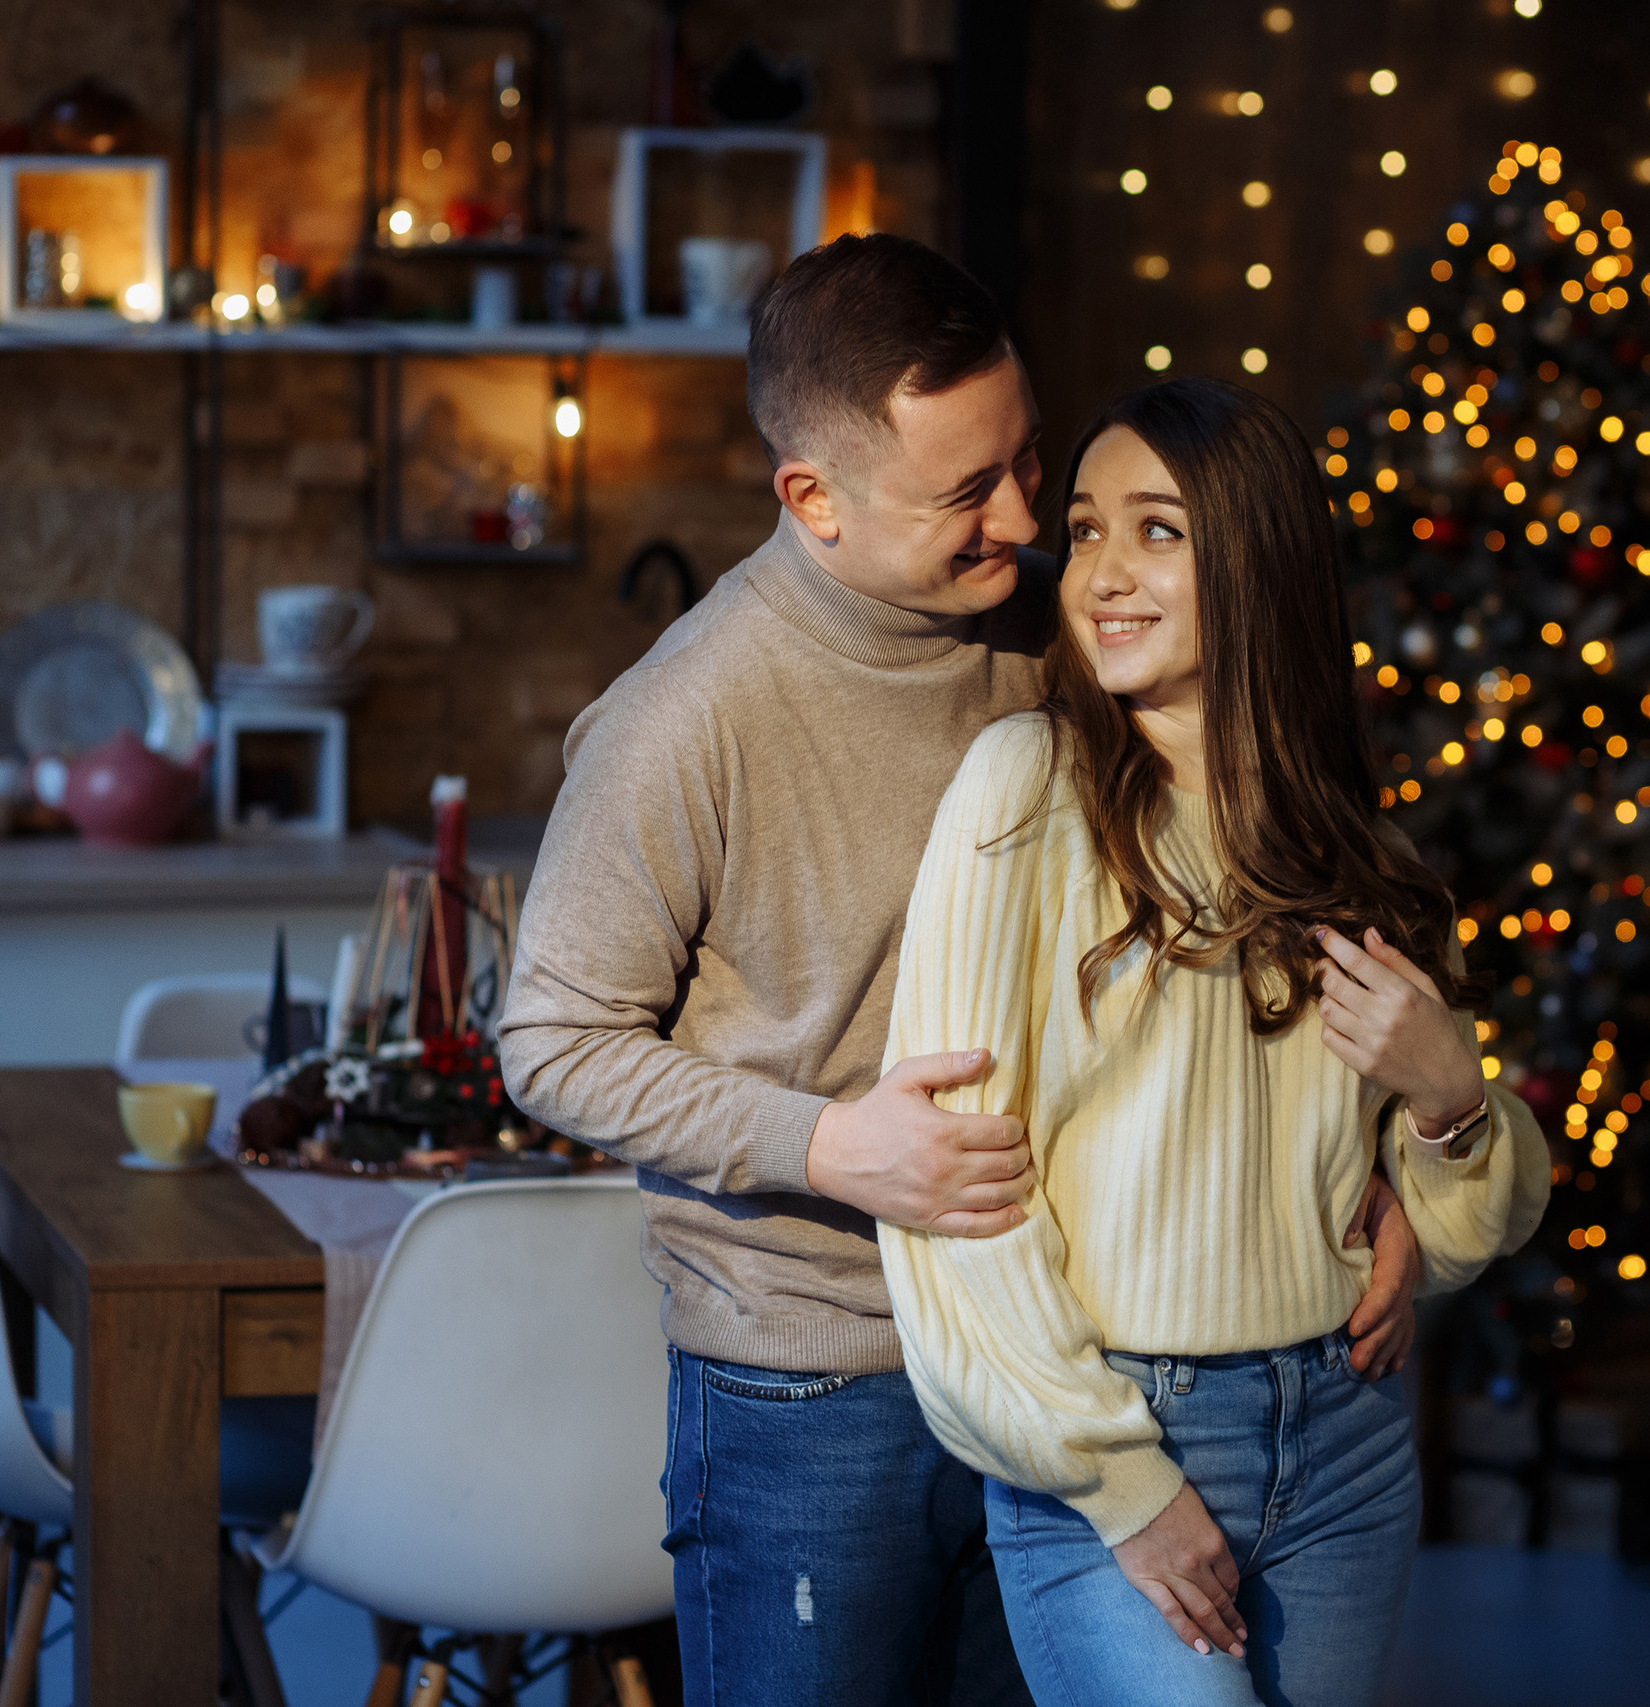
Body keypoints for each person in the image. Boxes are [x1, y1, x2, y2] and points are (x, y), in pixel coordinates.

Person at [500, 237, 1425, 1706]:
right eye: (964, 494)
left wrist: (1346, 1161)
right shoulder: (685, 720)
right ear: (812, 497)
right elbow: (550, 1041)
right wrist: (825, 1141)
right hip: (818, 1383)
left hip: (1069, 1353)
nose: (1023, 520)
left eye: (1026, 460)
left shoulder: (1059, 623)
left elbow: (1221, 898)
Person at [878, 376, 1554, 1707]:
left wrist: (1447, 1104)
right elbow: (956, 1194)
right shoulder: (1025, 792)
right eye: (1084, 530)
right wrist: (1118, 1483)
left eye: (1157, 531)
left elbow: (1470, 1232)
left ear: (1256, 560)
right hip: (1120, 1429)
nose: (1102, 575)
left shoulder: (1365, 860)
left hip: (1347, 1444)